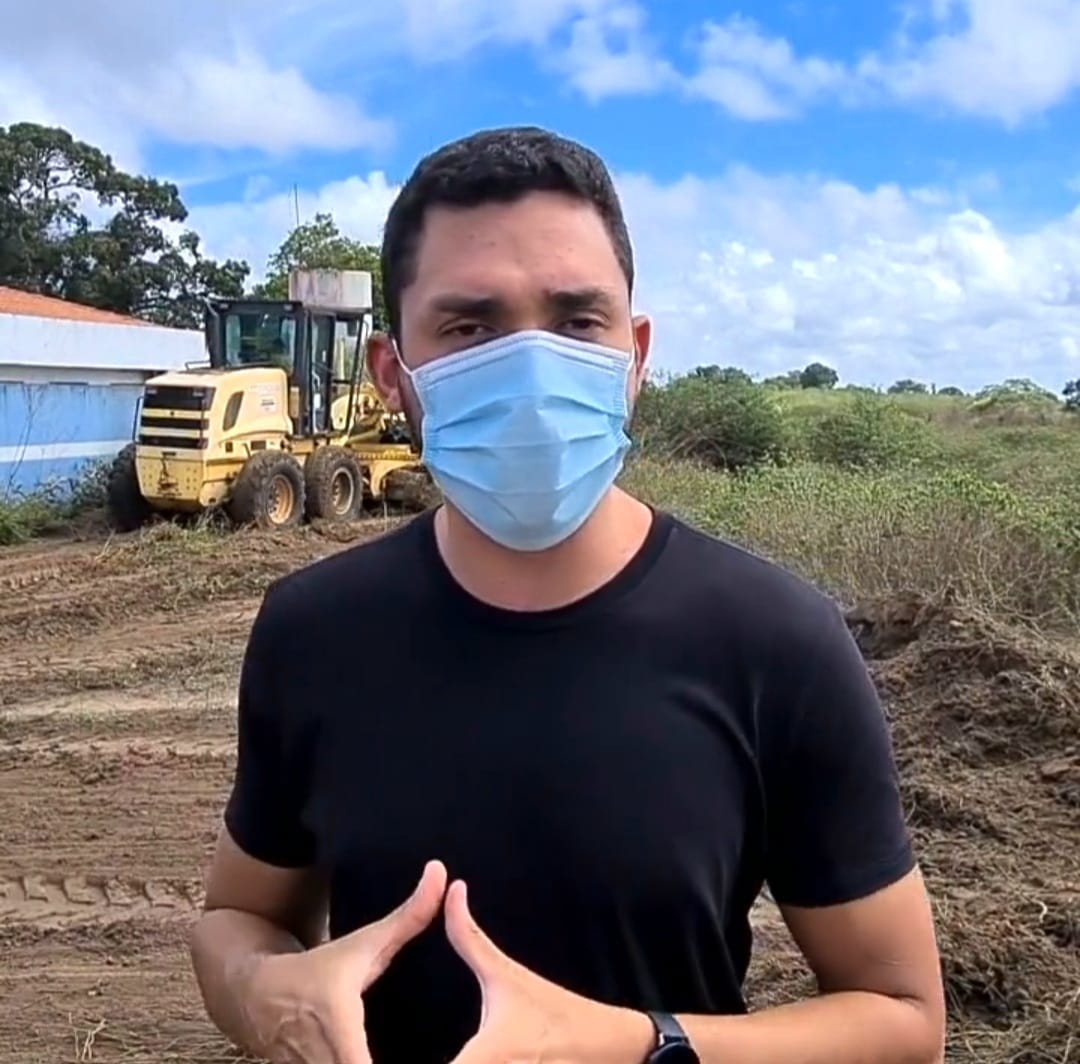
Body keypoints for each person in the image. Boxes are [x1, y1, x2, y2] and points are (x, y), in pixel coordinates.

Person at [189, 126, 946, 1064]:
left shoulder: (779, 642)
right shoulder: (312, 630)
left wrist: (641, 1046)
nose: (532, 371)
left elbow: (904, 1020)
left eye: (577, 321)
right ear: (393, 374)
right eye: (470, 328)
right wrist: (262, 991)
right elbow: (236, 919)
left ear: (634, 358)